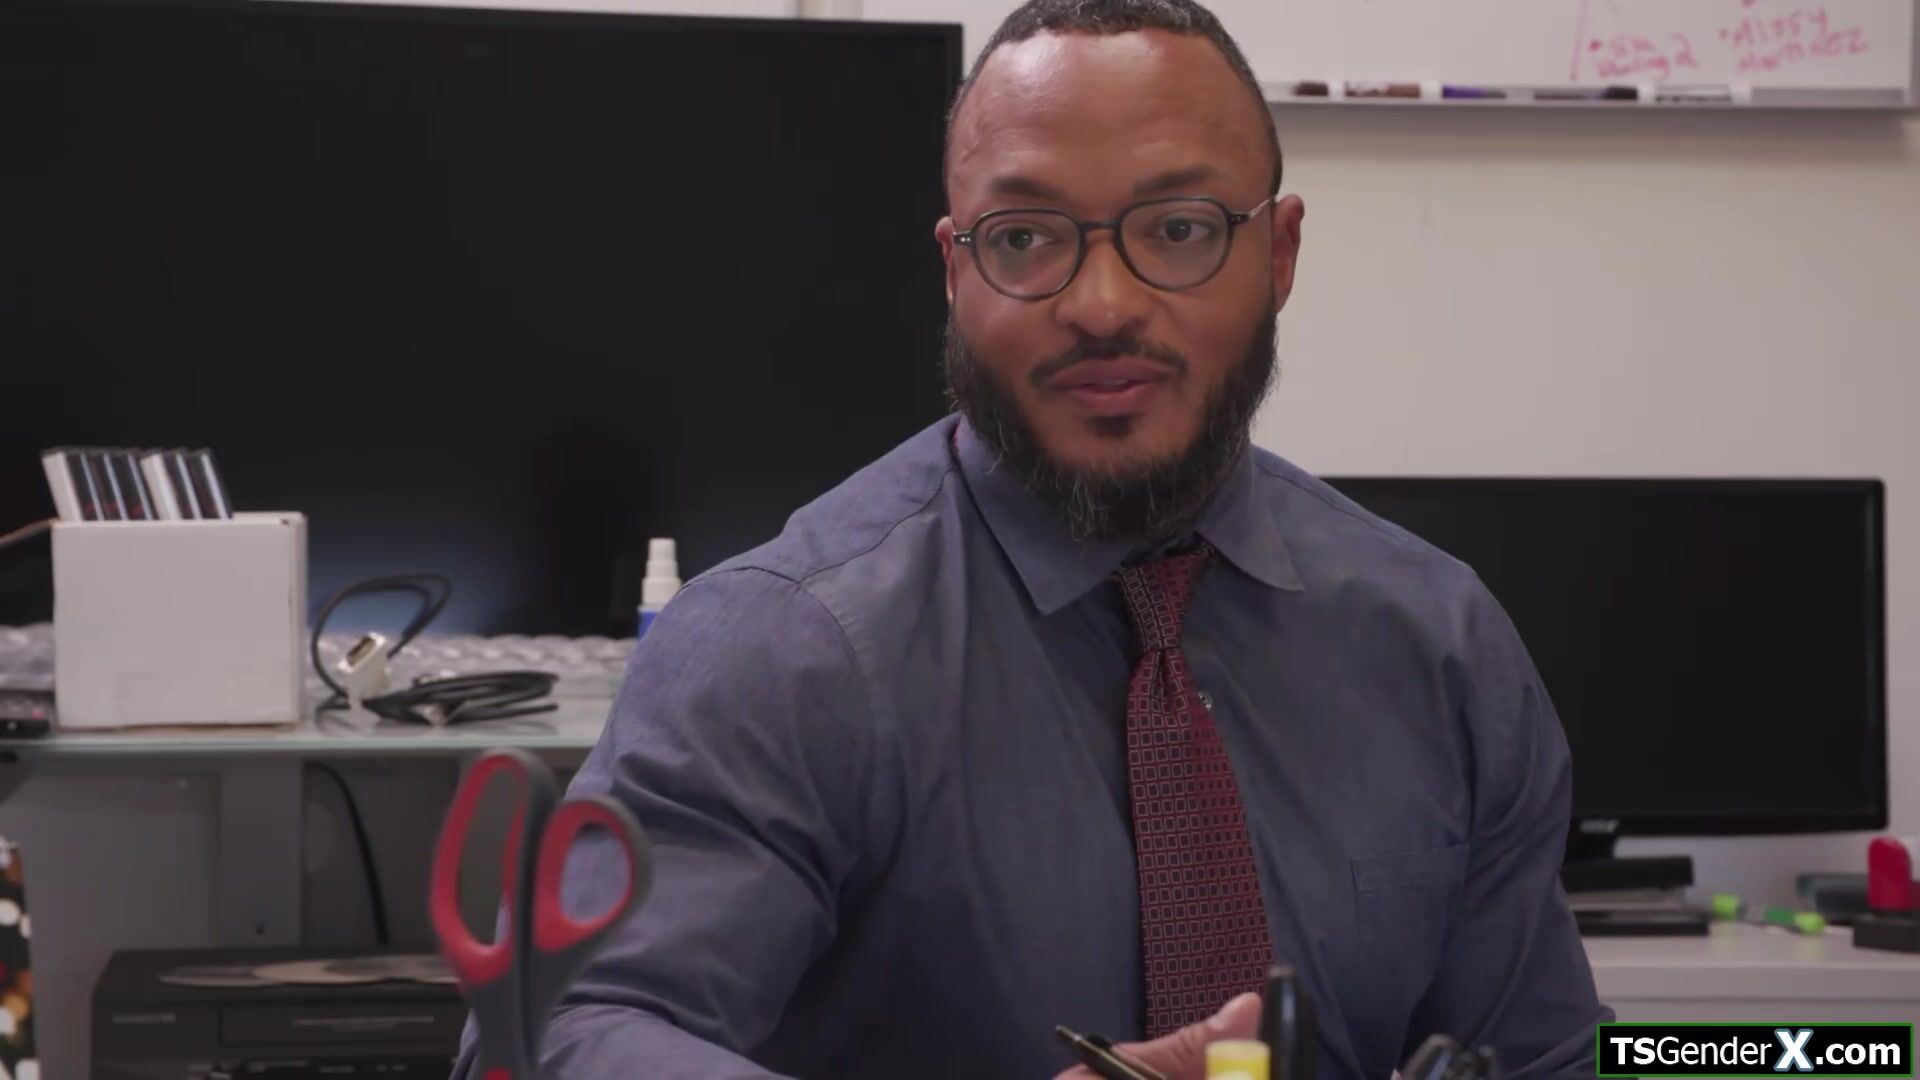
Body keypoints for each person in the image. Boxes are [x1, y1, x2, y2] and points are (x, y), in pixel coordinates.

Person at [453, 1, 1610, 1077]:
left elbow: (1562, 1056)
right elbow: (555, 1037)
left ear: (1280, 255)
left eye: (1179, 228)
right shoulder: (782, 651)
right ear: (956, 272)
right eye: (1024, 238)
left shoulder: (1438, 643)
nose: (1102, 303)